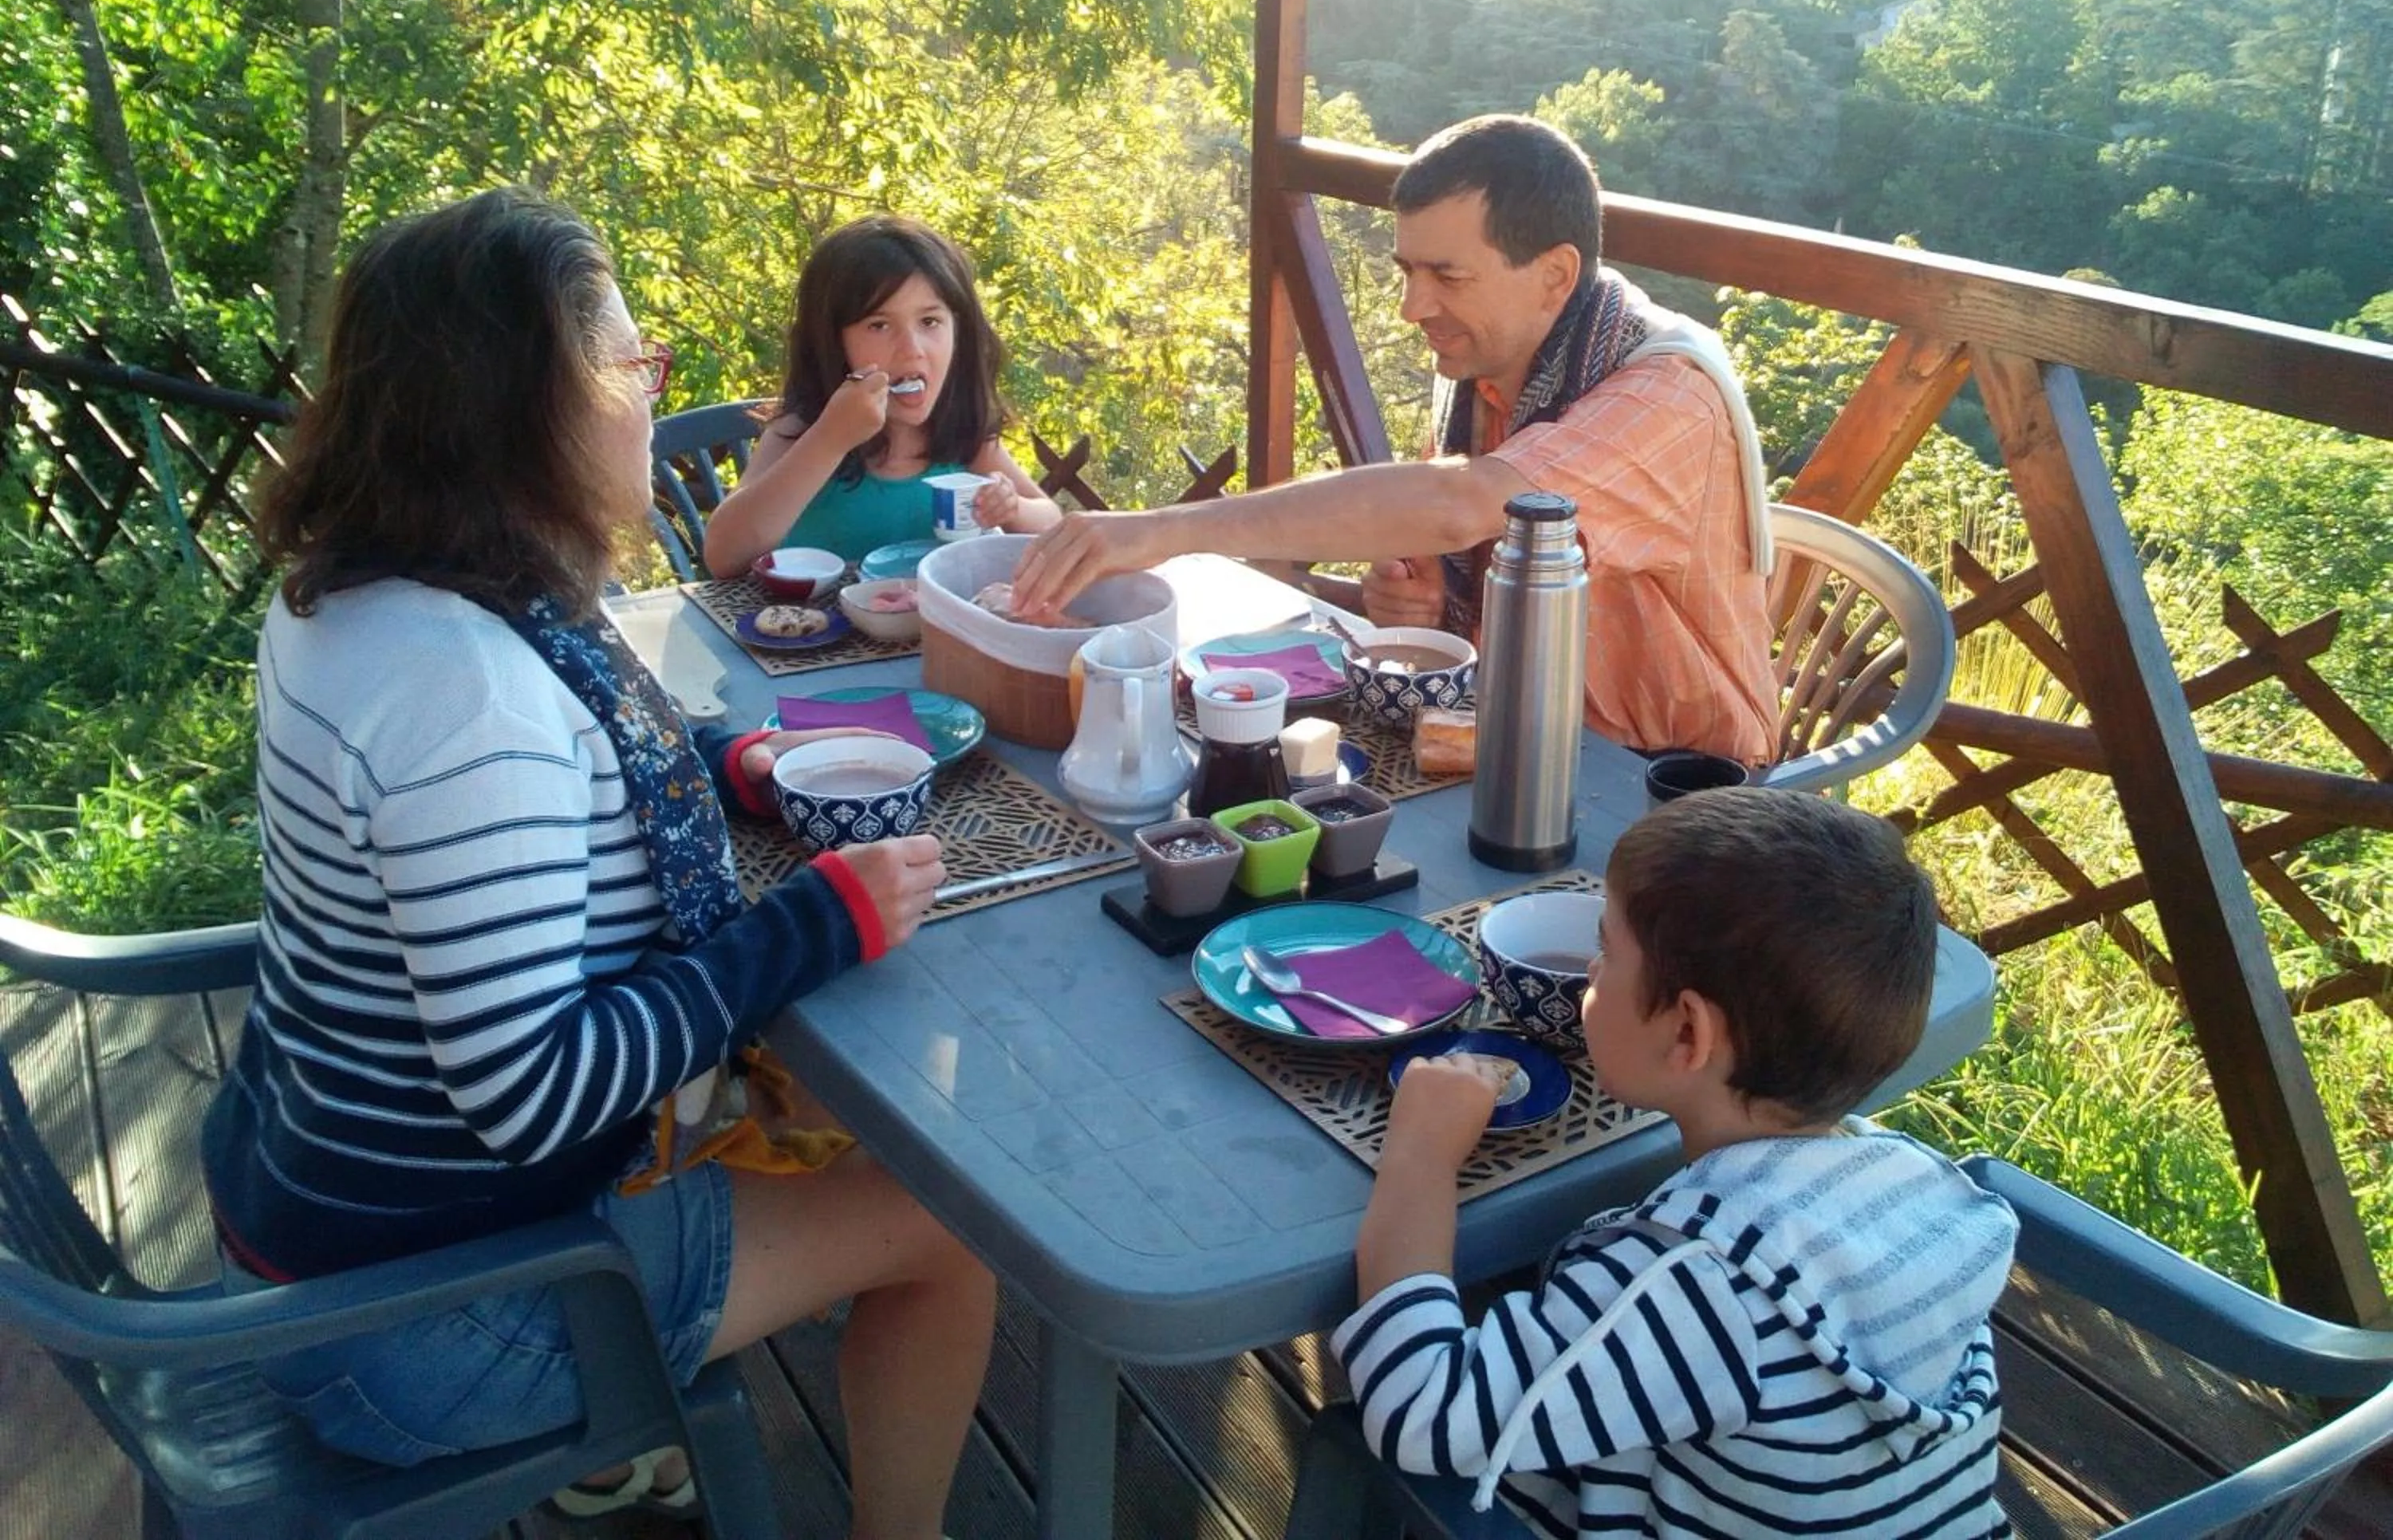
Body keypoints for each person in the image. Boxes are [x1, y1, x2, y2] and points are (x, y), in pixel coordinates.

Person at [202, 188, 995, 1539]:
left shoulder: (372, 591)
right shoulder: (462, 692)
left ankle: (656, 1416)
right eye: (630, 364)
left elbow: (586, 747)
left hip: (315, 1218)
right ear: (526, 402)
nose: (647, 395)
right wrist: (808, 927)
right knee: (958, 1221)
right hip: (425, 1320)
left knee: (831, 1121)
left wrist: (726, 766)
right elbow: (530, 1091)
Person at [1335, 789, 2017, 1537]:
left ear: (1688, 1032)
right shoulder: (1914, 1187)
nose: (1592, 972)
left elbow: (1419, 1410)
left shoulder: (1692, 1288)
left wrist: (1421, 1156)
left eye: (1608, 953)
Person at [1010, 115, 1777, 762]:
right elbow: (1465, 540)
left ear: (1554, 275)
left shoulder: (1666, 397)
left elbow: (1461, 505)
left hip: (1672, 788)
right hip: (1509, 737)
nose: (1413, 306)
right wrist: (1433, 604)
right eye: (1407, 271)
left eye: (1447, 275)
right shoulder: (1497, 363)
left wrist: (1168, 532)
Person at [703, 213, 1062, 573]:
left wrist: (1012, 506)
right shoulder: (799, 430)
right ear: (832, 343)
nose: (912, 349)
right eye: (879, 325)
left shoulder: (962, 437)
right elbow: (722, 556)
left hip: (930, 627)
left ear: (960, 332)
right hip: (812, 625)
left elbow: (1052, 523)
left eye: (930, 322)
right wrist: (829, 439)